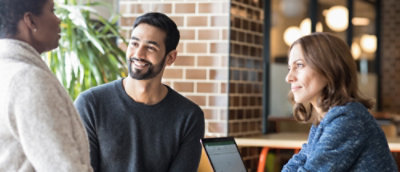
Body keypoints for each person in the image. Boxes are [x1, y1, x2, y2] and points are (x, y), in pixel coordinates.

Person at [74, 12, 205, 172]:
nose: (138, 54)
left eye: (150, 47)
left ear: (170, 57)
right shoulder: (90, 104)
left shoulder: (189, 116)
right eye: (134, 44)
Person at [282, 32, 398, 171]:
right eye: (290, 68)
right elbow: (298, 162)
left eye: (299, 65)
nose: (289, 77)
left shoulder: (348, 119)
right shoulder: (325, 120)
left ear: (329, 68)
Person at [0, 0, 93, 171]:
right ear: (31, 21)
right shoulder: (28, 80)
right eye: (52, 10)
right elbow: (63, 168)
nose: (59, 20)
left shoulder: (7, 70)